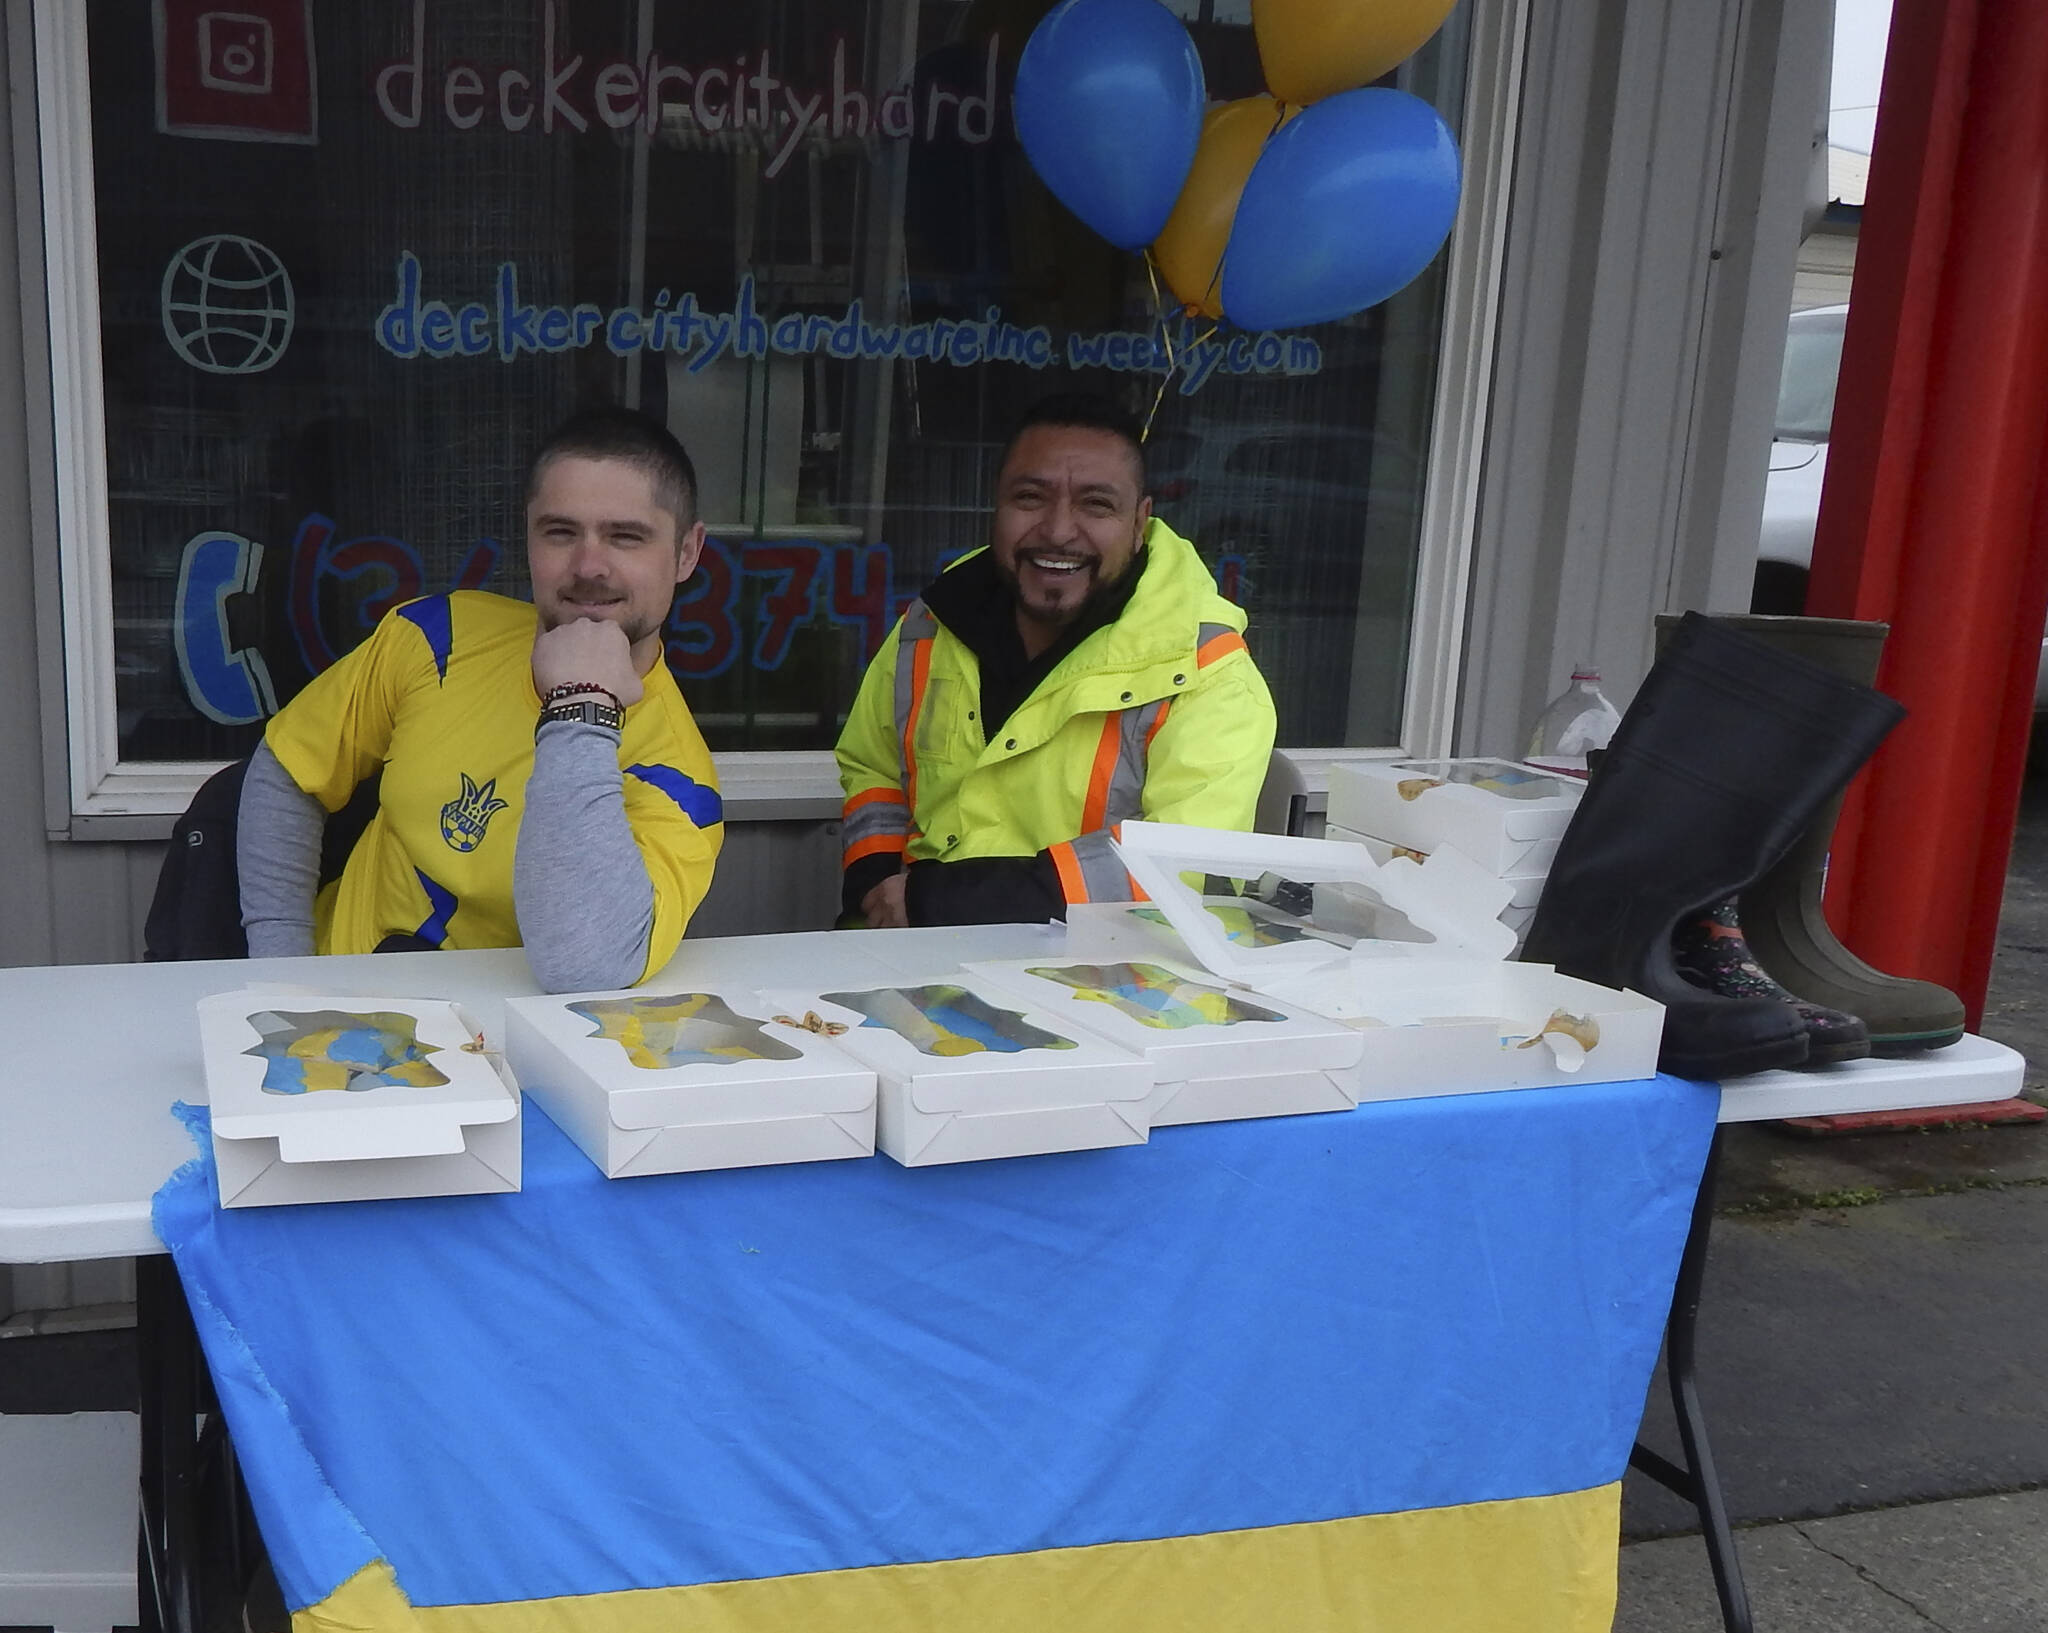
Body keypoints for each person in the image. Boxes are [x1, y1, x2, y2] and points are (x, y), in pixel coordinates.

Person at [238, 407, 724, 991]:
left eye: (626, 536)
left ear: (687, 554)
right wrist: (281, 971)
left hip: (496, 1057)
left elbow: (584, 967)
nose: (589, 566)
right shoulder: (437, 636)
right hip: (333, 1019)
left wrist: (581, 706)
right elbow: (288, 770)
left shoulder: (681, 783)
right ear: (529, 534)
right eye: (560, 532)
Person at [836, 393, 1276, 928]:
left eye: (1096, 504)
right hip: (912, 962)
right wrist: (875, 888)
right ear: (995, 506)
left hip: (1105, 988)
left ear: (1140, 522)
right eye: (1030, 498)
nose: (1059, 530)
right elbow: (873, 767)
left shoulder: (1210, 671)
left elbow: (1187, 866)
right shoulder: (933, 621)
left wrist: (946, 903)